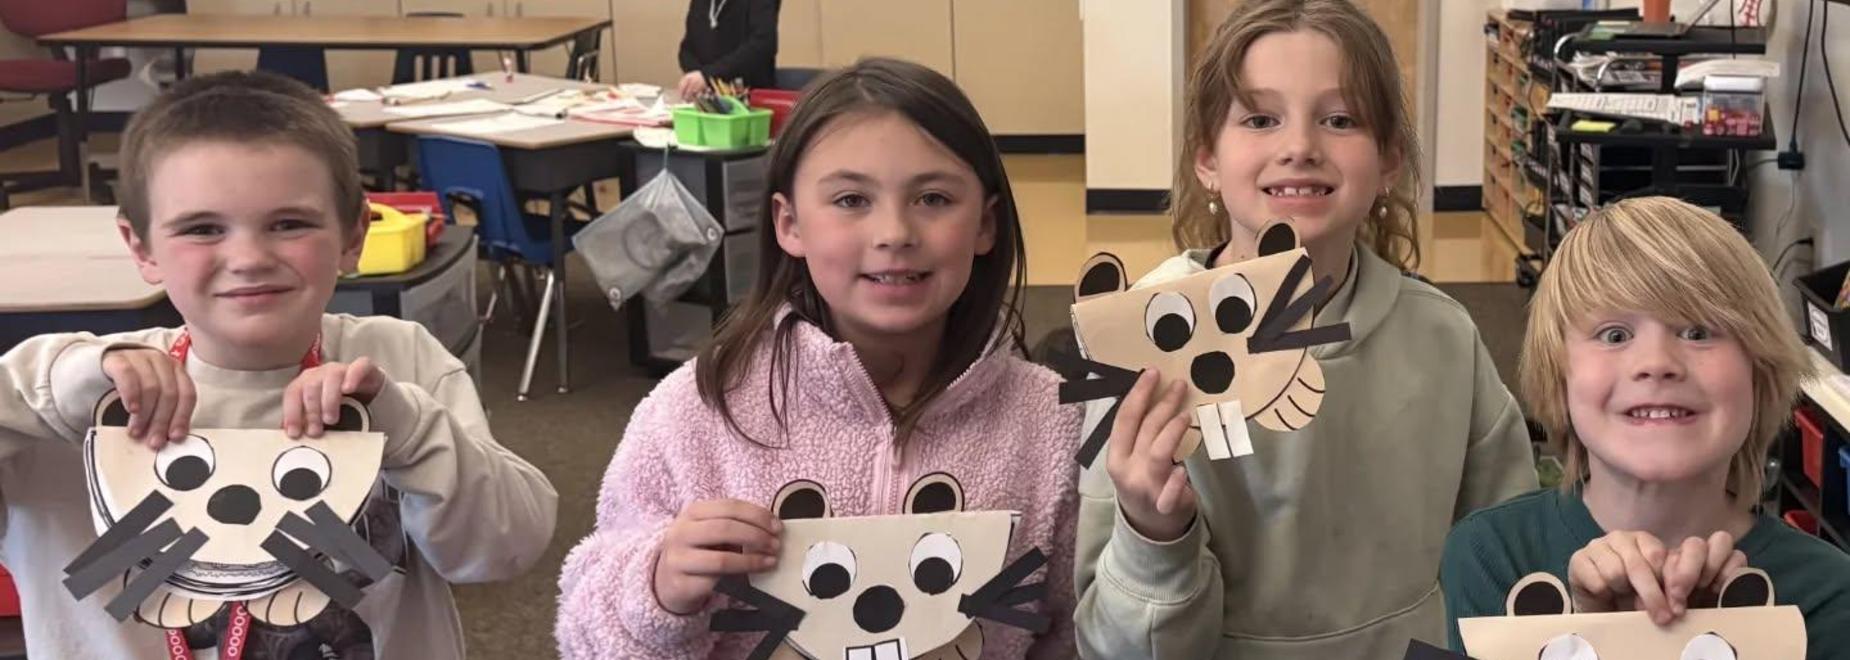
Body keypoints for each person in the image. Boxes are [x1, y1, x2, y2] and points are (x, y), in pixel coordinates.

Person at [0, 71, 557, 659]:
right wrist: (52, 384)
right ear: (141, 248)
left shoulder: (402, 362)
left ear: (352, 235)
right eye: (202, 228)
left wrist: (408, 430)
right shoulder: (78, 402)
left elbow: (508, 550)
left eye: (289, 224)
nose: (248, 258)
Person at [554, 57, 1081, 659]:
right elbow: (584, 634)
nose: (894, 232)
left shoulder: (1049, 423)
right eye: (851, 199)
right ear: (788, 223)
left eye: (933, 198)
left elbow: (1077, 632)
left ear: (984, 224)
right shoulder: (696, 413)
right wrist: (655, 587)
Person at [1072, 1, 1537, 657]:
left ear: (1389, 162)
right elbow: (1108, 642)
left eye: (1340, 119)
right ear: (1207, 158)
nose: (1299, 147)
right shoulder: (1141, 345)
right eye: (1260, 119)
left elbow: (1504, 547)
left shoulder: (1444, 339)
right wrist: (1152, 532)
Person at [1440, 196, 1850, 658]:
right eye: (1614, 335)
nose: (1656, 364)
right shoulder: (1491, 557)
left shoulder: (1830, 596)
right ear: (1560, 377)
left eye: (1698, 332)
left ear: (1761, 370)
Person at [677, 0, 780, 100]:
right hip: (707, 100)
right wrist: (695, 79)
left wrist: (708, 76)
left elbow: (763, 45)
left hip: (751, 102)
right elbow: (687, 48)